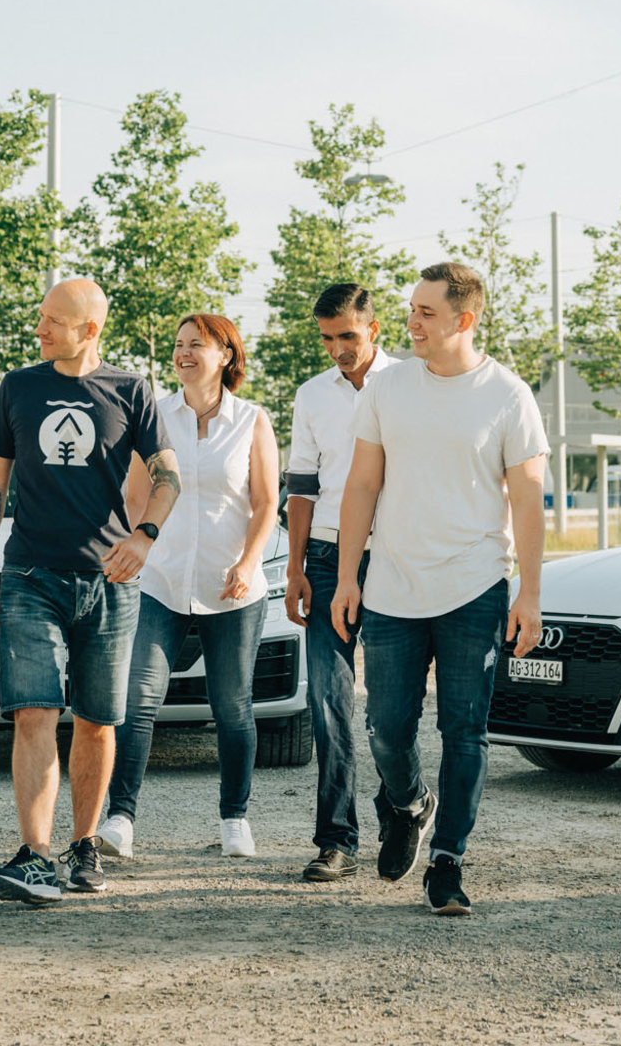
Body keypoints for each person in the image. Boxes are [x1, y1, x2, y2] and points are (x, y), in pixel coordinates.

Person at [331, 262, 548, 917]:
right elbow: (362, 485)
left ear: (464, 319)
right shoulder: (387, 388)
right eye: (412, 309)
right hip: (393, 587)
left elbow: (530, 500)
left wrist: (529, 593)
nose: (412, 322)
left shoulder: (508, 395)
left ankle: (447, 863)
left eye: (426, 311)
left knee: (465, 731)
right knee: (385, 730)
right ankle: (409, 803)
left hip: (475, 585)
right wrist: (347, 577)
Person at [0, 278, 181, 905]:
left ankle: (84, 845)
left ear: (90, 330)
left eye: (54, 321)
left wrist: (144, 536)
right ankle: (35, 856)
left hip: (110, 582)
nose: (40, 329)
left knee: (96, 720)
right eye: (40, 318)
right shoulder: (19, 387)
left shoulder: (131, 390)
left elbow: (169, 476)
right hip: (31, 575)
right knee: (34, 712)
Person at [102, 314, 280, 859]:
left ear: (225, 355)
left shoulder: (252, 420)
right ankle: (120, 820)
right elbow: (137, 497)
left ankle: (234, 821)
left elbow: (267, 502)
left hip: (232, 588)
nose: (182, 354)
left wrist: (250, 563)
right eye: (178, 345)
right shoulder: (154, 416)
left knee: (232, 706)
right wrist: (136, 547)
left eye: (195, 345)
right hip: (160, 581)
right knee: (137, 699)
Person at [282, 283, 400, 883]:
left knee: (389, 707)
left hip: (395, 559)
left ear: (373, 329)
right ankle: (337, 840)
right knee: (327, 703)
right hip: (326, 561)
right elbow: (301, 487)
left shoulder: (410, 383)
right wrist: (297, 566)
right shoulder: (311, 396)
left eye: (347, 337)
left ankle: (400, 818)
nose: (337, 349)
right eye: (327, 339)